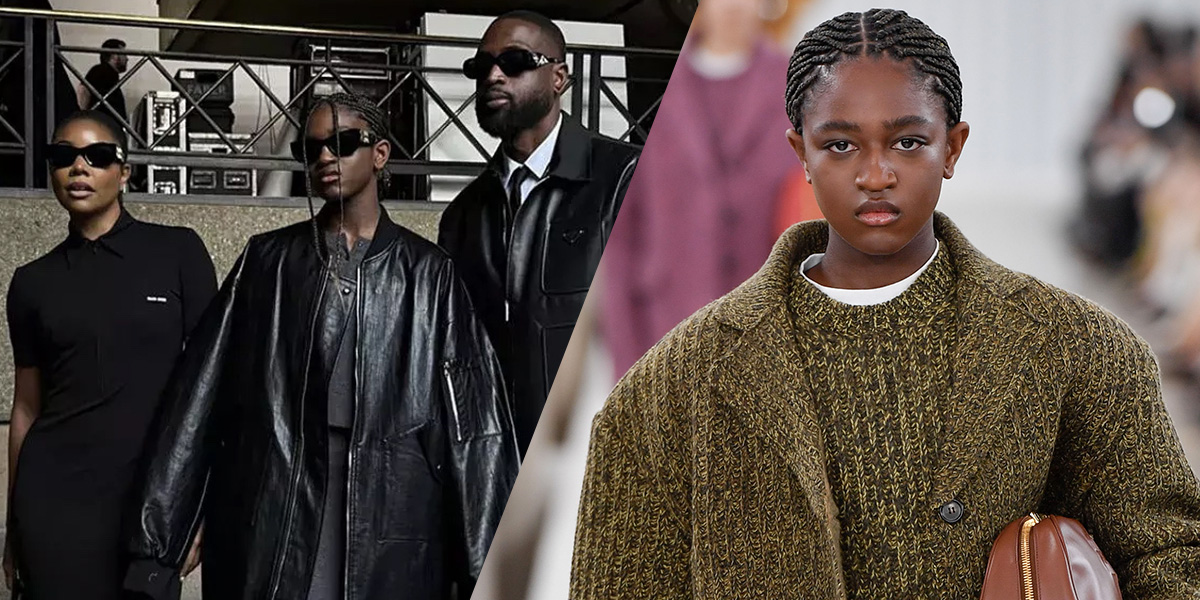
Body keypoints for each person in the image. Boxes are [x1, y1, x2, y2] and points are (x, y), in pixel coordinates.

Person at [570, 9, 1200, 599]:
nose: (876, 174)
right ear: (801, 154)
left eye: (906, 142)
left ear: (952, 148)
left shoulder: (1082, 354)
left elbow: (1170, 560)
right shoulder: (663, 393)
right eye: (841, 145)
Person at [123, 92, 519, 600]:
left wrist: (492, 564)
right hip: (279, 504)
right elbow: (201, 392)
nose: (326, 158)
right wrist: (161, 533)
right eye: (311, 150)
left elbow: (475, 427)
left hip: (392, 510)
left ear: (380, 154)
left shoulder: (429, 274)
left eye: (343, 143)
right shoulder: (269, 261)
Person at [3, 110, 216, 600]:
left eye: (97, 156)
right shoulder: (32, 283)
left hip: (151, 504)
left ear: (124, 172)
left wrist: (202, 505)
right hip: (54, 504)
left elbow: (211, 390)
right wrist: (14, 528)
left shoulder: (179, 252)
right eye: (63, 157)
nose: (79, 168)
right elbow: (27, 409)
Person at [438, 10, 640, 455]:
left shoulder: (626, 177)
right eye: (481, 66)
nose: (493, 76)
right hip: (496, 461)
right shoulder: (462, 217)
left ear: (559, 77)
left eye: (514, 62)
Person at [600, 0, 804, 380]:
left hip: (768, 349)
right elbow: (622, 240)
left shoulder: (801, 87)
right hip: (666, 337)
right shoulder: (648, 84)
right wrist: (626, 373)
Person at [81, 39, 130, 127]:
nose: (127, 59)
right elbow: (83, 91)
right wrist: (82, 119)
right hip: (100, 126)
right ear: (115, 55)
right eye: (124, 54)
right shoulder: (100, 71)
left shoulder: (109, 74)